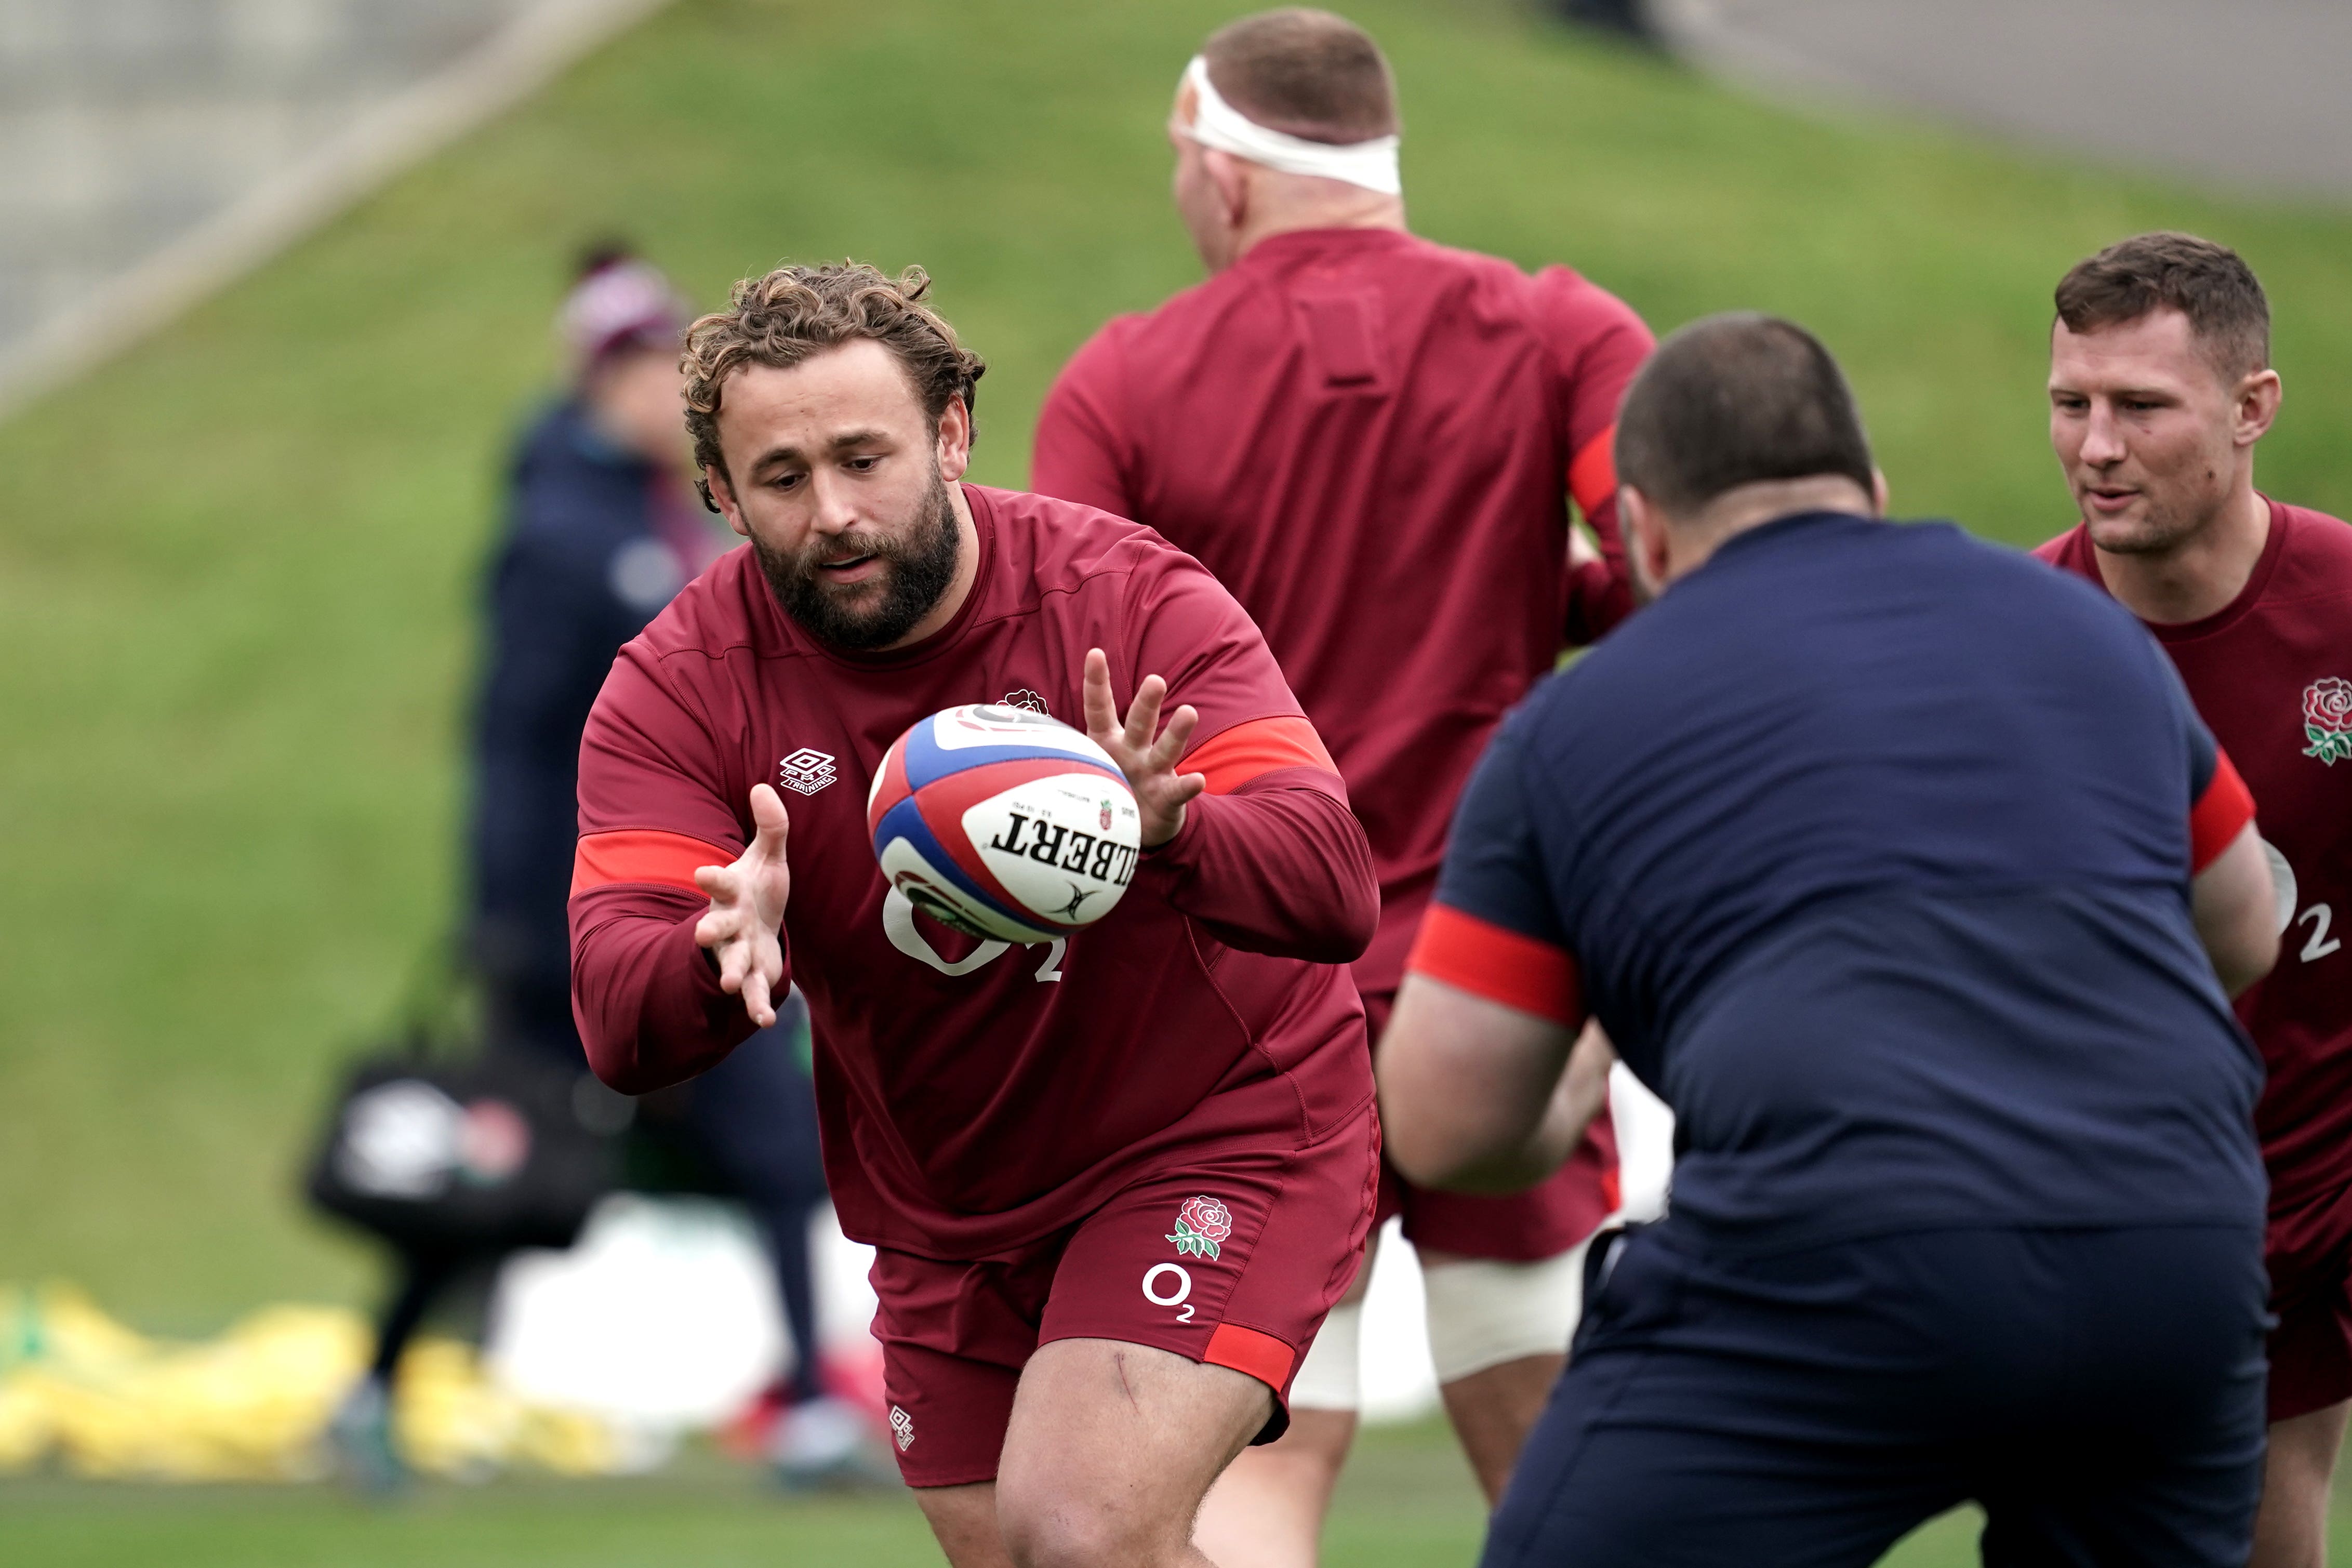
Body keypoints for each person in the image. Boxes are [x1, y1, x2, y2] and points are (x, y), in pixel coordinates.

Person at [1379, 313, 2280, 1565]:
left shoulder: (1571, 730)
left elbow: (1442, 1126)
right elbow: (2244, 921)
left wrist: (1576, 1077)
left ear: (1637, 533)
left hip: (1839, 1256)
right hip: (2171, 1252)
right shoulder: (2080, 630)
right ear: (1870, 494)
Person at [567, 261, 1382, 1568]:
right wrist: (717, 956)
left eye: (864, 458)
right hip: (945, 1200)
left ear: (951, 433)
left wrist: (1175, 831)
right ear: (719, 494)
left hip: (1211, 1129)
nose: (833, 514)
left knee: (1078, 1531)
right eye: (781, 480)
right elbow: (617, 1015)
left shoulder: (1125, 602)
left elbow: (1332, 884)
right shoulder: (679, 688)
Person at [1030, 10, 1650, 1539]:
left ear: (1216, 163)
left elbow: (1063, 710)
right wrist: (1550, 601)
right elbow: (1679, 562)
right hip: (1498, 975)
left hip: (1240, 994)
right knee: (1561, 1443)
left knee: (1263, 1456)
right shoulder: (1560, 330)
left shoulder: (1121, 383)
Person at [336, 248, 861, 1491]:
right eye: (642, 363)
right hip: (572, 915)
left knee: (775, 1144)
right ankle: (370, 1392)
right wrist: (503, 915)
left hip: (699, 892)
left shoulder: (665, 512)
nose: (661, 383)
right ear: (595, 377)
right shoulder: (556, 533)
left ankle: (804, 1407)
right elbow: (511, 740)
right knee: (504, 1167)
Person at [2034, 231, 2352, 1568]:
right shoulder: (2016, 638)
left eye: (2140, 407)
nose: (2096, 447)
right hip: (2099, 1220)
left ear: (2250, 407)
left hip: (2320, 1198)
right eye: (2069, 405)